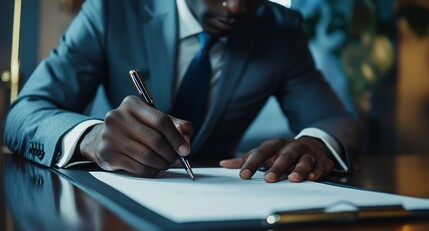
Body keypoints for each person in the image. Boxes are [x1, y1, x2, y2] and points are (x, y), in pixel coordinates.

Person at [3, 0, 359, 183]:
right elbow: (24, 112)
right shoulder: (112, 11)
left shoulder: (281, 31)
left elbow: (333, 119)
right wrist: (91, 138)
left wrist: (318, 142)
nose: (236, 8)